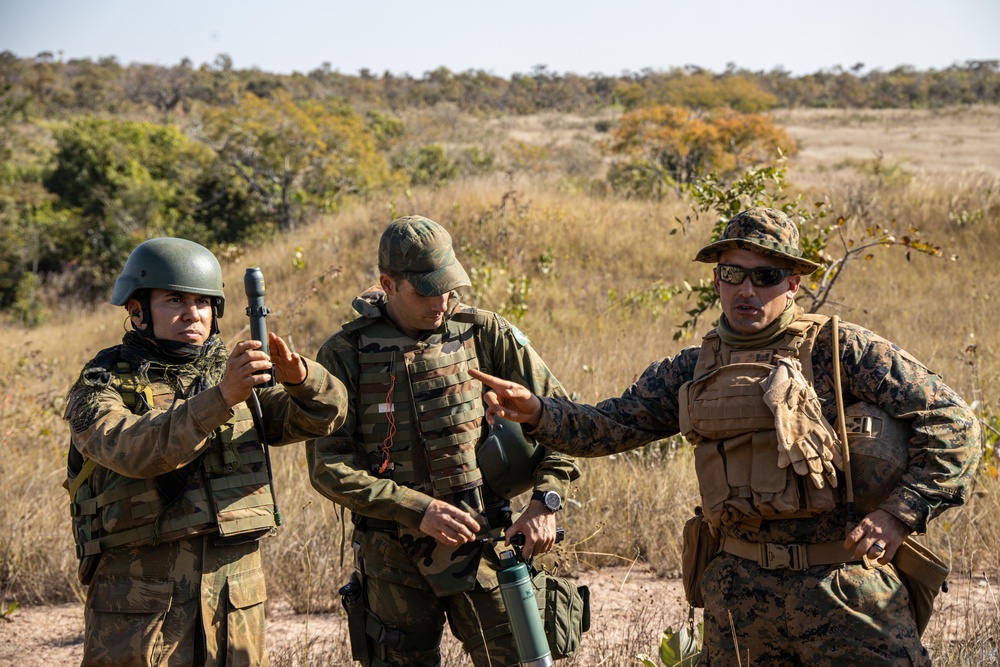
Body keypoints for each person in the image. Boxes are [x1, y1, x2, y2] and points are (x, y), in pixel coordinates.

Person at [471, 207, 982, 666]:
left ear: (793, 284)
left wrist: (899, 513)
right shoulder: (691, 369)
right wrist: (536, 411)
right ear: (717, 280)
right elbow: (610, 426)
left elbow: (954, 424)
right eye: (733, 274)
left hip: (844, 589)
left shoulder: (841, 351)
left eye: (765, 276)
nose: (747, 290)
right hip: (738, 593)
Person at [306, 215, 580, 667]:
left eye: (448, 286)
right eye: (425, 291)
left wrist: (546, 501)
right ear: (388, 284)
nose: (442, 301)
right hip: (392, 558)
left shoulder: (484, 331)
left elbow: (564, 420)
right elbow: (327, 466)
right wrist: (418, 509)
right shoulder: (344, 353)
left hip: (486, 544)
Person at [64, 237, 348, 667]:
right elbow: (132, 450)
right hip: (140, 609)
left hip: (234, 602)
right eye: (174, 299)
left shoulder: (232, 377)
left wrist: (302, 378)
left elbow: (323, 416)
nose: (191, 313)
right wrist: (221, 397)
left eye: (203, 301)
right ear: (136, 309)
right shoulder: (101, 383)